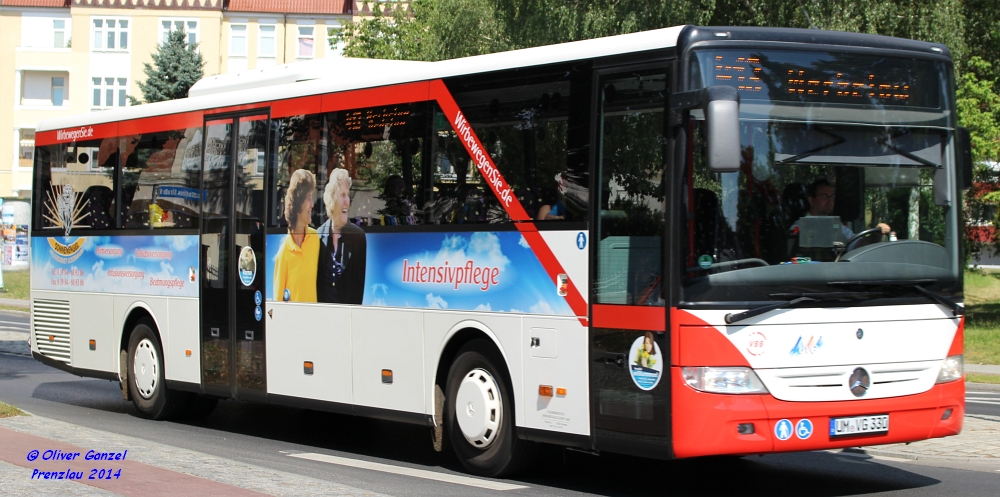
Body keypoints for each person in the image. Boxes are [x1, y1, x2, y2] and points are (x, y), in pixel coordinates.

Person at [317, 168, 367, 304]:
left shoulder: (358, 237)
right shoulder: (317, 236)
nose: (347, 201)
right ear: (332, 200)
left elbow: (359, 288)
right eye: (342, 195)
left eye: (348, 195)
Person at [791, 178, 890, 241]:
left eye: (832, 196)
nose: (830, 200)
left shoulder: (837, 226)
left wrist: (875, 235)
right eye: (825, 196)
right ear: (811, 200)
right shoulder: (799, 227)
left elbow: (855, 243)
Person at [273, 169, 319, 302]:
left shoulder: (316, 238)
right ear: (299, 202)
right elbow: (277, 306)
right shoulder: (283, 255)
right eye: (309, 197)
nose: (312, 204)